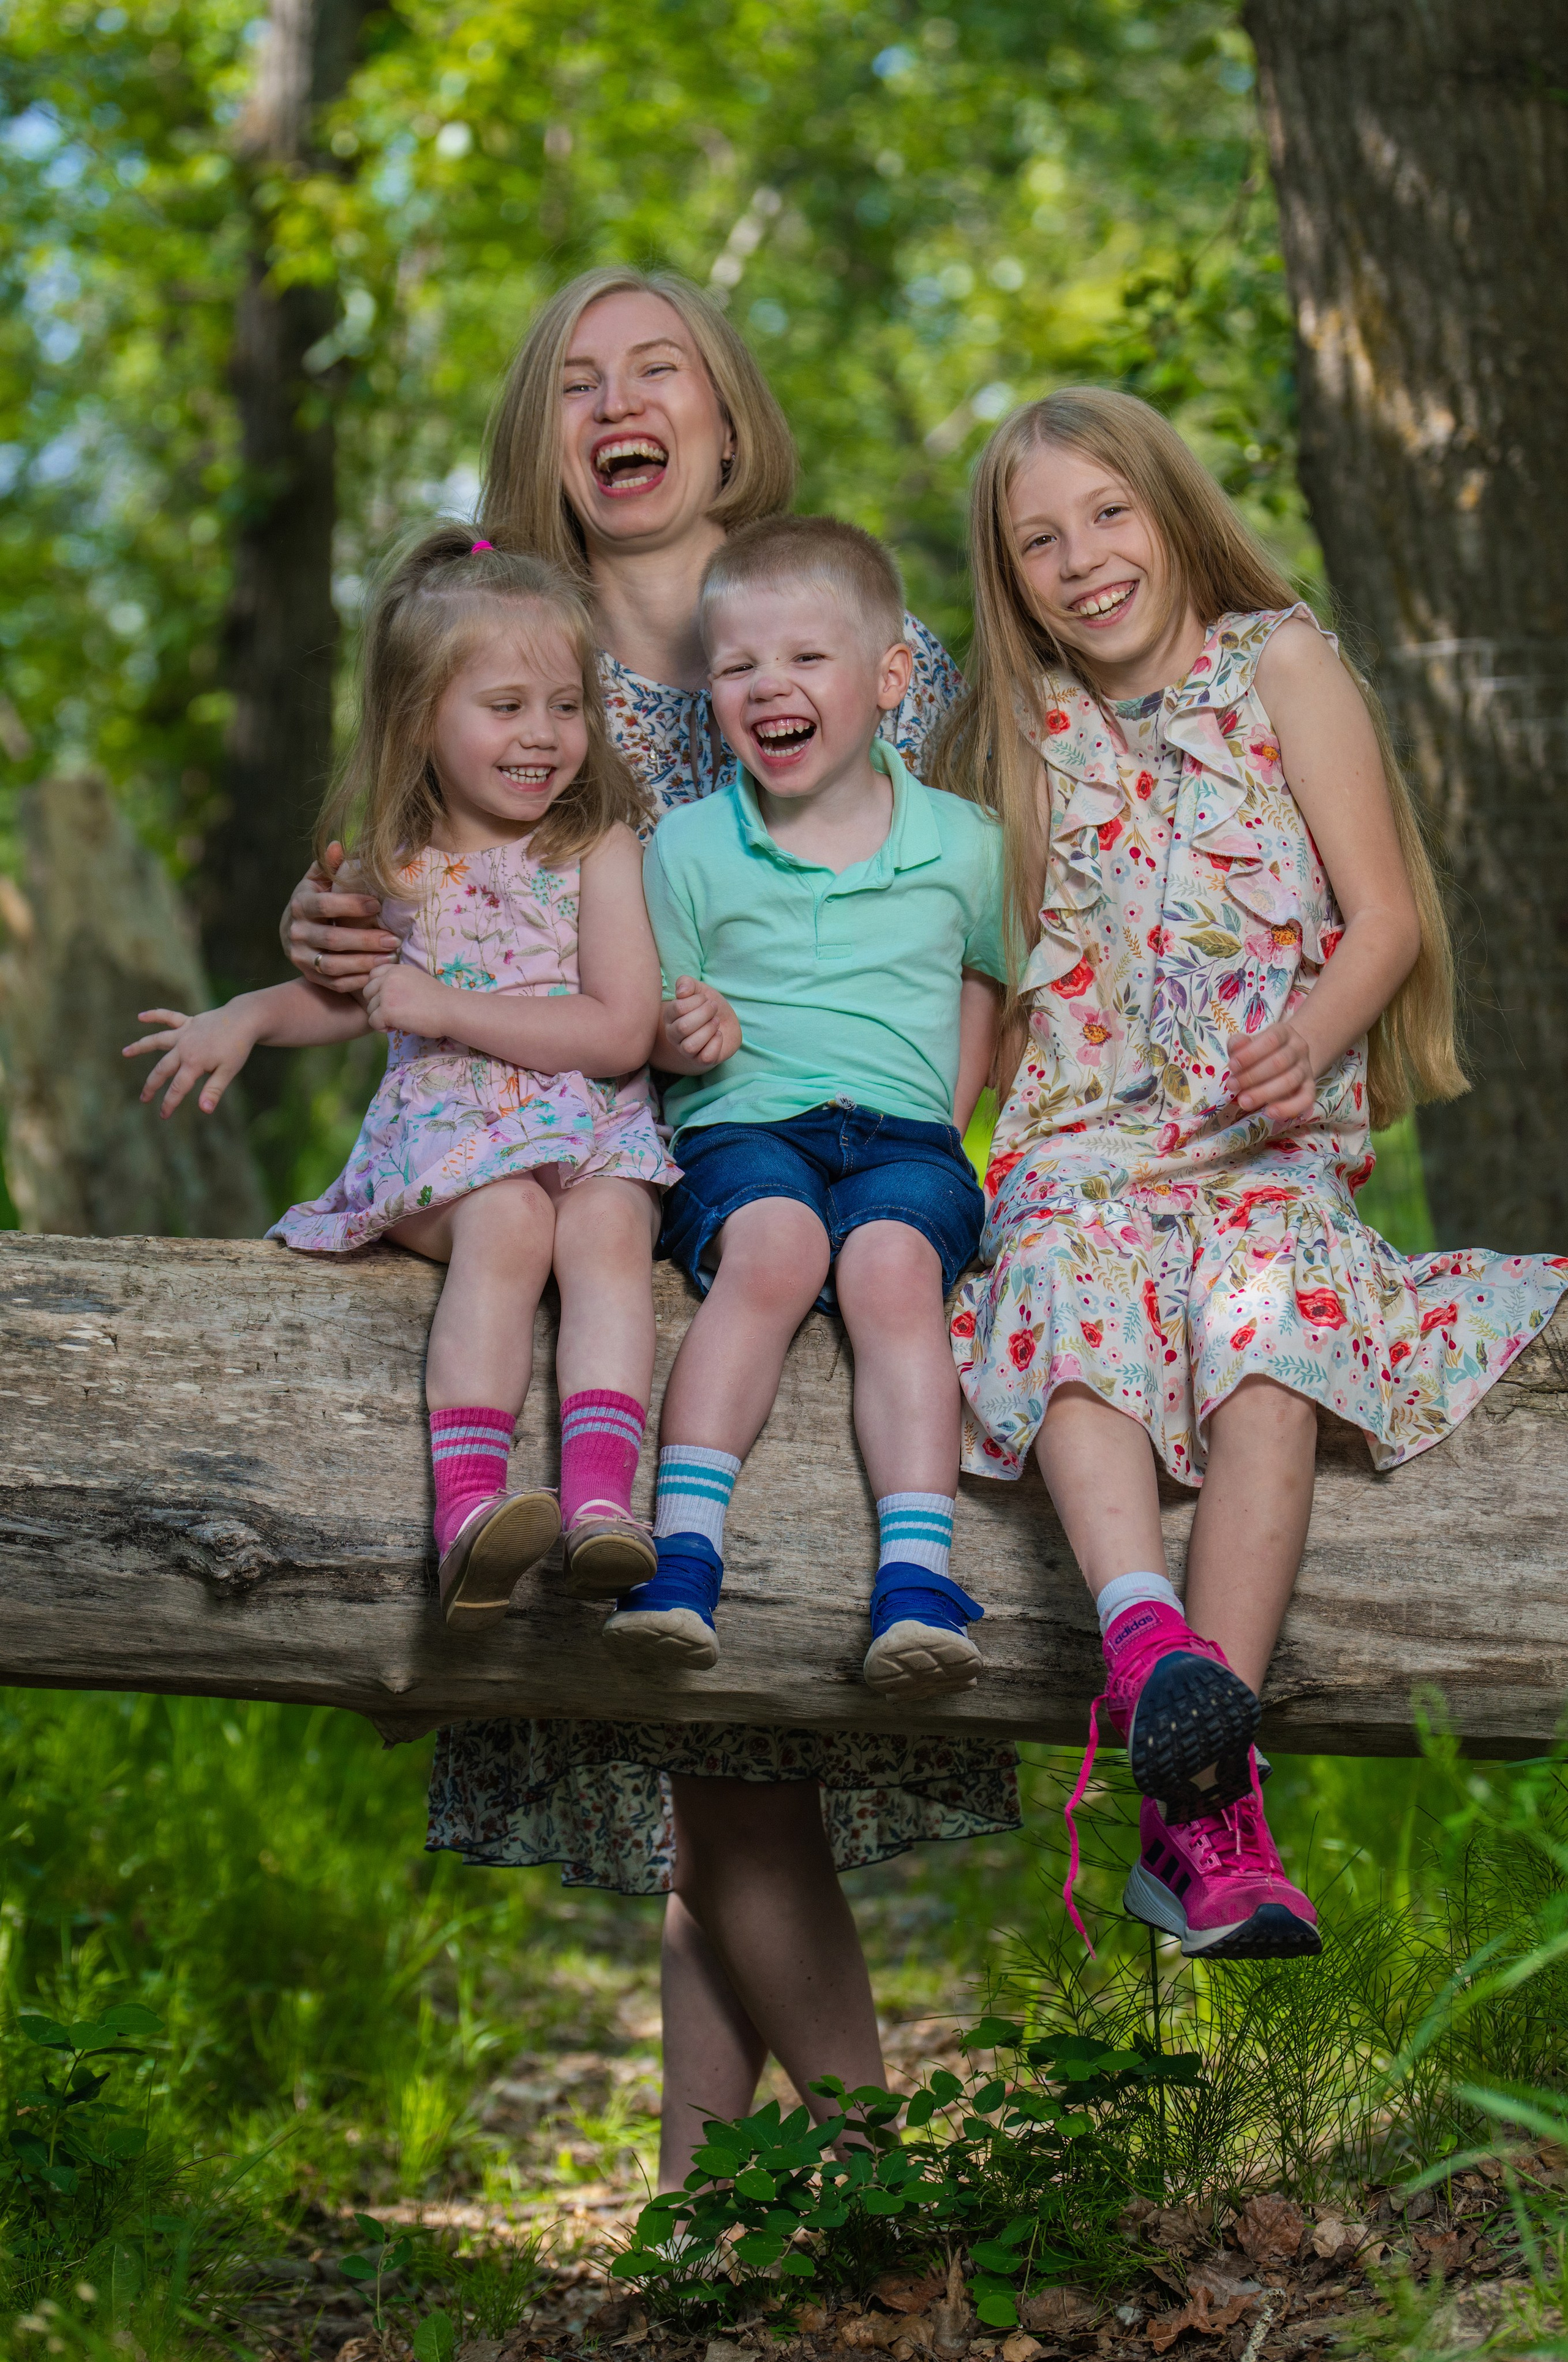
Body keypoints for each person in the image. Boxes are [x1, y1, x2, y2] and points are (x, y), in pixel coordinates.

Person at [275, 268, 1021, 2186]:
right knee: (710, 1759)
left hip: (814, 1212)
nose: (620, 403)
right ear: (543, 444)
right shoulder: (513, 658)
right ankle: (761, 2219)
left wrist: (941, 1136)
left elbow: (963, 905)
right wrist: (326, 942)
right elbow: (399, 903)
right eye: (578, 383)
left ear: (720, 409)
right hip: (598, 1211)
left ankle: (818, 2207)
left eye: (657, 369)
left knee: (744, 1763)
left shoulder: (853, 639)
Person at [934, 385, 1568, 1962]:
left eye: (1105, 514)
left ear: (1166, 507)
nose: (1080, 558)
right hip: (1080, 1148)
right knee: (1072, 1287)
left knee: (1270, 1342)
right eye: (1036, 541)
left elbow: (1386, 917)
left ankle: (1203, 1816)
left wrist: (1311, 1031)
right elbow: (971, 995)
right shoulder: (1004, 737)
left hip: (1259, 1149)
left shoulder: (1279, 662)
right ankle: (1148, 1645)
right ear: (1006, 581)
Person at [126, 531, 676, 1615]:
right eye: (507, 706)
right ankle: (470, 1512)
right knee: (513, 1221)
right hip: (451, 1139)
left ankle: (603, 1507)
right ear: (425, 716)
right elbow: (351, 995)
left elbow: (620, 1032)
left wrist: (444, 1005)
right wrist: (244, 1017)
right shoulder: (398, 857)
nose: (545, 736)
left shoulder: (598, 844)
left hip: (595, 1123)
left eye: (566, 706)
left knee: (610, 1226)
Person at [613, 515, 1003, 1699]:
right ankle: (684, 1556)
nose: (767, 687)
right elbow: (659, 1022)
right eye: (737, 667)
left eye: (805, 660)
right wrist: (693, 1036)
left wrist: (950, 1105)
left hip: (905, 1133)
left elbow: (986, 981)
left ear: (891, 679)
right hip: (744, 1125)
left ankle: (918, 1580)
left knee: (893, 1271)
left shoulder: (966, 842)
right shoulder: (683, 848)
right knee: (775, 1251)